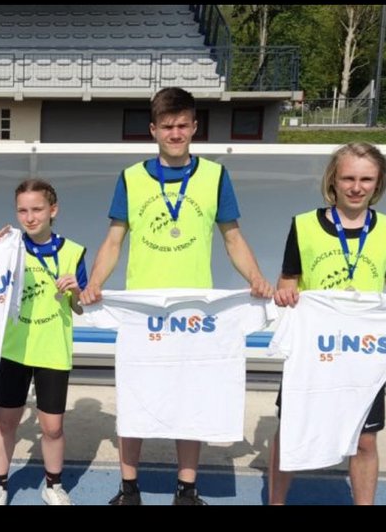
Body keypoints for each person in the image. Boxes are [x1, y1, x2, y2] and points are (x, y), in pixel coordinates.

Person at [78, 87, 273, 505]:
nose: (175, 132)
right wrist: (95, 282)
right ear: (153, 129)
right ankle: (129, 488)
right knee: (135, 393)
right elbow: (114, 240)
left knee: (193, 396)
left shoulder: (215, 175)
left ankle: (187, 488)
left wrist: (257, 278)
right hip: (143, 309)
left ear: (195, 126)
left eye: (183, 124)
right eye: (167, 126)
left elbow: (232, 238)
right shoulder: (131, 177)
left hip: (193, 309)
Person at [267, 142, 386, 505]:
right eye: (348, 178)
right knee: (290, 431)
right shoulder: (303, 225)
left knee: (365, 439)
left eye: (366, 179)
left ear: (378, 184)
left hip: (363, 354)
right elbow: (288, 280)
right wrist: (285, 295)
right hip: (314, 351)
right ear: (334, 179)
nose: (356, 187)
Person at [0, 179, 87, 506]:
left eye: (37, 209)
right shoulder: (6, 247)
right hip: (12, 349)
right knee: (6, 422)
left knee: (53, 427)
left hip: (52, 350)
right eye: (22, 210)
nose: (29, 217)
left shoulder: (74, 251)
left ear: (52, 210)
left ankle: (54, 485)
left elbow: (80, 306)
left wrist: (75, 292)